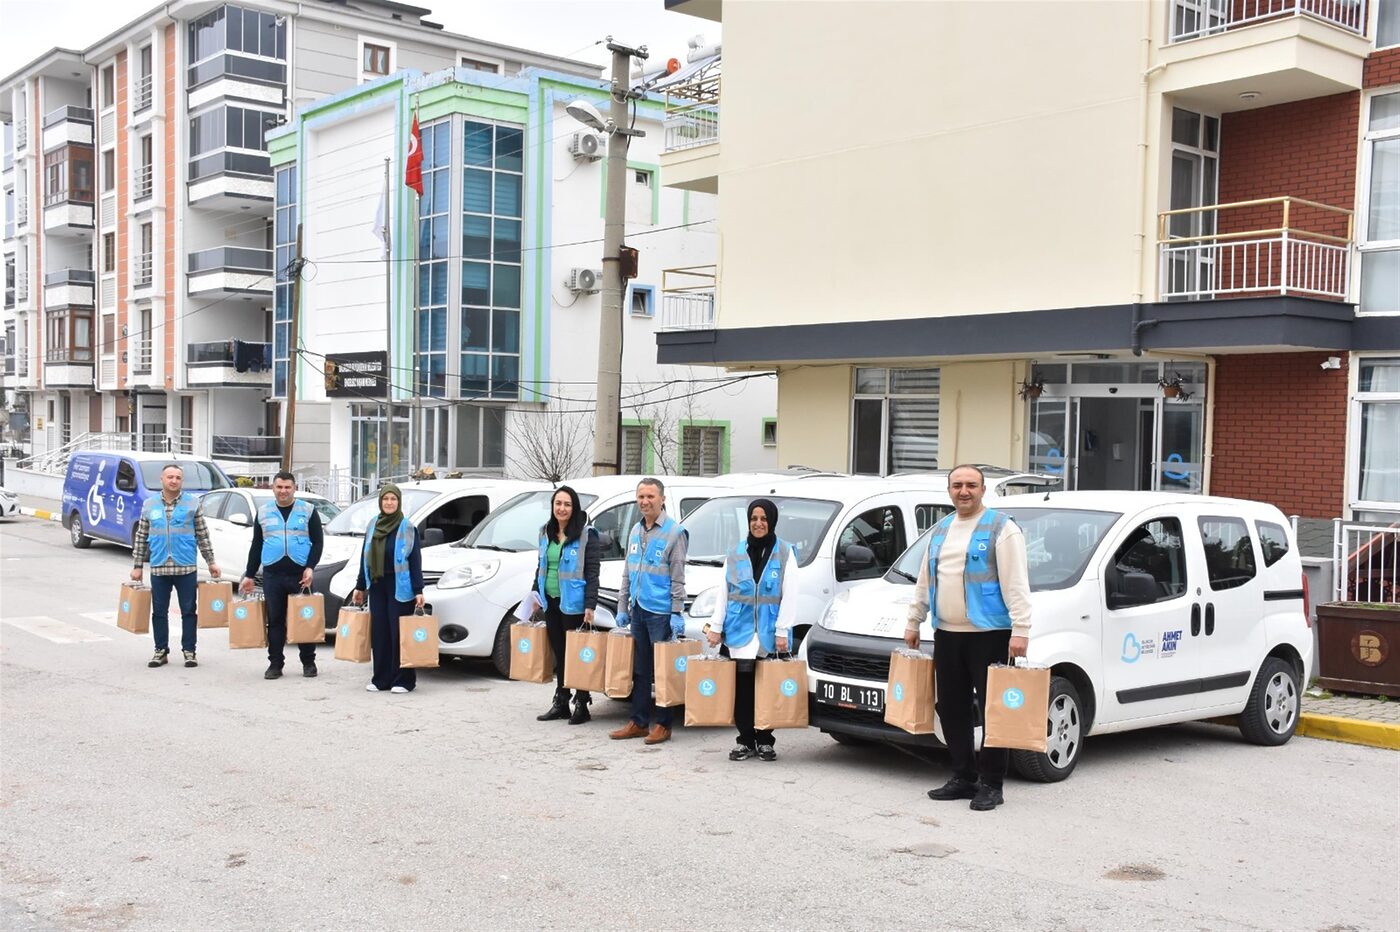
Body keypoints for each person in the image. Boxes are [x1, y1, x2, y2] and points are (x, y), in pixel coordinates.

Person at [904, 464, 1032, 812]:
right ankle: (963, 776)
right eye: (957, 485)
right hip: (947, 633)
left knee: (994, 712)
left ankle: (991, 783)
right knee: (951, 707)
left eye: (971, 485)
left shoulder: (1001, 529)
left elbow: (1016, 583)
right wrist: (914, 620)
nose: (964, 491)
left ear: (983, 489)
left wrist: (1021, 629)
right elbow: (925, 580)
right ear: (949, 491)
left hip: (990, 634)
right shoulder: (941, 530)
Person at [703, 498, 799, 762]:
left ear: (772, 522)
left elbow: (790, 595)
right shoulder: (735, 553)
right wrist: (716, 626)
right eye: (754, 519)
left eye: (763, 519)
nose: (758, 523)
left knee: (767, 688)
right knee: (743, 690)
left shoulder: (785, 552)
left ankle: (766, 739)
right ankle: (745, 739)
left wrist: (783, 631)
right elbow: (724, 593)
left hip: (769, 633)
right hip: (740, 633)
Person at [609, 478, 688, 746]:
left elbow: (678, 577)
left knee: (663, 671)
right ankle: (639, 722)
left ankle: (664, 725)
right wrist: (623, 606)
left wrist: (677, 612)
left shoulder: (674, 532)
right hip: (639, 609)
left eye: (650, 496)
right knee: (641, 670)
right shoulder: (635, 531)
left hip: (661, 613)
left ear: (662, 499)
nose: (645, 501)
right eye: (641, 496)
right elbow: (627, 572)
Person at [130, 464, 221, 669]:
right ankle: (160, 650)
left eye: (178, 478)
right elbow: (141, 536)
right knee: (159, 612)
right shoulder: (149, 504)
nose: (174, 481)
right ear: (162, 479)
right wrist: (137, 565)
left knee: (189, 610)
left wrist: (211, 562)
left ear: (182, 481)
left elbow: (202, 535)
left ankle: (189, 651)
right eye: (170, 477)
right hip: (159, 566)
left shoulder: (192, 503)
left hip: (185, 567)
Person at [241, 470, 323, 680]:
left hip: (300, 574)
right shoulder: (264, 512)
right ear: (273, 488)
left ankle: (308, 662)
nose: (283, 491)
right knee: (275, 620)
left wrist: (310, 566)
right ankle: (275, 664)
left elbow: (318, 542)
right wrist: (249, 574)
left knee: (305, 619)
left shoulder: (308, 510)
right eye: (279, 487)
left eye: (287, 487)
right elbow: (257, 544)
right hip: (273, 574)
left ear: (294, 488)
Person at [533, 485, 602, 725]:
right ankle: (561, 701)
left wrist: (590, 605)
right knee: (560, 654)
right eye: (558, 504)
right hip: (551, 601)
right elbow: (541, 565)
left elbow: (593, 572)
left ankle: (582, 704)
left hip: (574, 604)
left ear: (574, 508)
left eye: (567, 504)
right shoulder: (545, 532)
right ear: (553, 506)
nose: (562, 509)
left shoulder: (586, 535)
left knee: (577, 655)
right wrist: (535, 593)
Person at [349, 483, 425, 694]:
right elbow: (364, 556)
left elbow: (415, 560)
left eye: (393, 499)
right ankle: (381, 679)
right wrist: (360, 585)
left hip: (400, 587)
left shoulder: (407, 527)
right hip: (377, 585)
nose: (389, 503)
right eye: (386, 499)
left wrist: (419, 590)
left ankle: (404, 680)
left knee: (398, 634)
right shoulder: (373, 524)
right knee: (380, 633)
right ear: (380, 502)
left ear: (399, 502)